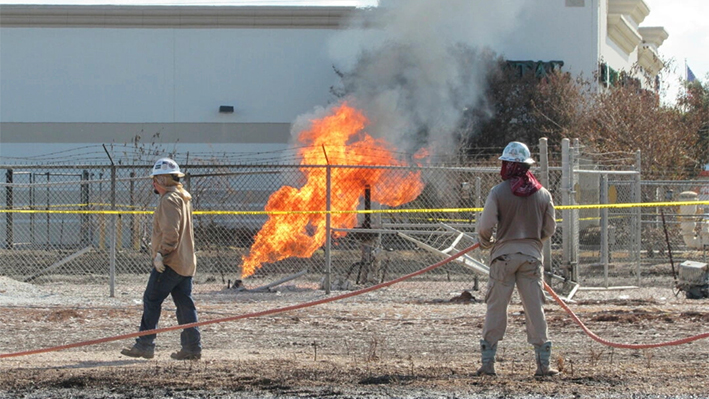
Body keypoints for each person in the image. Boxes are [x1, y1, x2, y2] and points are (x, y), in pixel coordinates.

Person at [476, 141, 557, 377]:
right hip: (532, 258)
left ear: (508, 166)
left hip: (503, 258)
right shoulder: (543, 194)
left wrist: (487, 241)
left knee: (496, 307)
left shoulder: (498, 192)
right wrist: (532, 244)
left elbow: (486, 225)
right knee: (535, 309)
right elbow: (550, 228)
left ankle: (488, 364)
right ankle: (543, 365)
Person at [121, 157, 201, 360]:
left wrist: (160, 255)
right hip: (185, 262)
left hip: (170, 263)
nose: (153, 183)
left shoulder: (169, 200)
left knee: (152, 299)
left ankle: (145, 344)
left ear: (164, 180)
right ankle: (192, 348)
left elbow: (171, 234)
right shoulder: (183, 197)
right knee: (185, 305)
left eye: (156, 179)